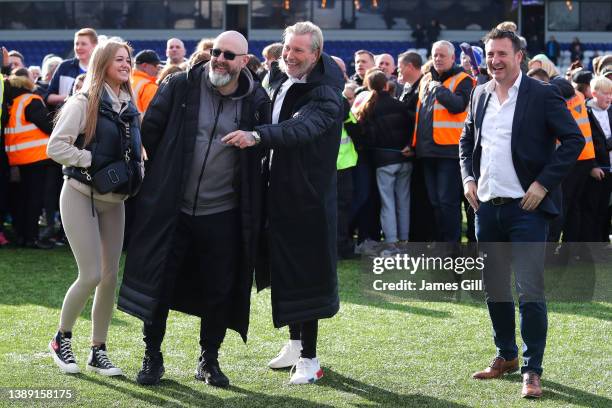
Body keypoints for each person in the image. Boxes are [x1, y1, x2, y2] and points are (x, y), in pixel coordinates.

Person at [117, 31, 270, 388]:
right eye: (216, 51)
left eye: (229, 55)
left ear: (244, 61)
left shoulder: (256, 99)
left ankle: (209, 360)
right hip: (172, 208)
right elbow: (149, 134)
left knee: (219, 289)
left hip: (224, 213)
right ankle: (152, 357)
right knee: (159, 284)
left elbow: (263, 151)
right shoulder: (180, 84)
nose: (219, 59)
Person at [460, 29, 583, 399]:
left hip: (527, 210)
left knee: (529, 290)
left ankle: (532, 369)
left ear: (519, 56)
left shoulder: (542, 95)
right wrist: (467, 178)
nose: (494, 60)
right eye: (490, 54)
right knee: (495, 287)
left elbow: (574, 140)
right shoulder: (479, 93)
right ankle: (506, 355)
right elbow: (467, 140)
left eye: (501, 53)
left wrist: (543, 184)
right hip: (486, 208)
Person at [222, 21, 344, 385]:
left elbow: (300, 129)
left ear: (316, 54)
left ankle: (310, 357)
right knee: (283, 271)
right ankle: (294, 344)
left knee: (306, 275)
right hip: (276, 193)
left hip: (308, 198)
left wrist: (256, 136)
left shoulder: (326, 93)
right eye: (287, 48)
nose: (289, 56)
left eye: (299, 51)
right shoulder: (277, 78)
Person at [46, 39, 143, 376]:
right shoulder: (82, 101)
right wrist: (88, 158)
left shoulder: (130, 106)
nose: (126, 64)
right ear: (102, 63)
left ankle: (97, 349)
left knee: (109, 278)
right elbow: (55, 146)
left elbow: (132, 149)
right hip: (79, 194)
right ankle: (62, 339)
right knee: (90, 274)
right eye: (119, 59)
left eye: (128, 59)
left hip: (115, 201)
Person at [412, 40, 475, 243]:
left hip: (450, 152)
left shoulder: (464, 80)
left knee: (447, 202)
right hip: (427, 151)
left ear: (453, 58)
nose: (437, 59)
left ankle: (452, 246)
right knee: (435, 202)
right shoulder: (425, 79)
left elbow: (457, 106)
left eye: (442, 55)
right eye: (435, 55)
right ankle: (442, 244)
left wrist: (439, 89)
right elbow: (420, 115)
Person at [351, 70, 414, 253]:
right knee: (404, 201)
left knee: (387, 203)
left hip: (383, 162)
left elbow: (366, 138)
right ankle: (404, 240)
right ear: (387, 85)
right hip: (405, 158)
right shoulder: (400, 106)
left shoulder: (368, 108)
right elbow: (412, 128)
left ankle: (391, 242)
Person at [3, 71, 53, 249]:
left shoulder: (11, 104)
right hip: (36, 157)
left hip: (17, 157)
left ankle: (22, 235)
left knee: (22, 198)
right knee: (35, 199)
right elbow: (48, 126)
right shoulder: (31, 100)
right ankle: (32, 237)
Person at [585, 75, 612, 242]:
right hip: (598, 170)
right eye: (605, 93)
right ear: (594, 94)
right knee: (595, 209)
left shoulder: (611, 111)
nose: (609, 97)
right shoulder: (586, 113)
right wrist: (592, 166)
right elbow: (586, 144)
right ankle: (594, 245)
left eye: (611, 93)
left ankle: (604, 242)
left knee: (607, 210)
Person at [46, 28, 98, 107]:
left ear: (94, 46)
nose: (78, 47)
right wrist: (70, 97)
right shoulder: (64, 66)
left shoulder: (100, 69)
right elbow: (48, 97)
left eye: (83, 44)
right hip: (66, 116)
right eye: (76, 44)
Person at [131, 49, 161, 114]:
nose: (158, 69)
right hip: (142, 123)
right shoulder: (149, 87)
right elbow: (153, 115)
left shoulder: (126, 81)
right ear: (144, 65)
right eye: (156, 65)